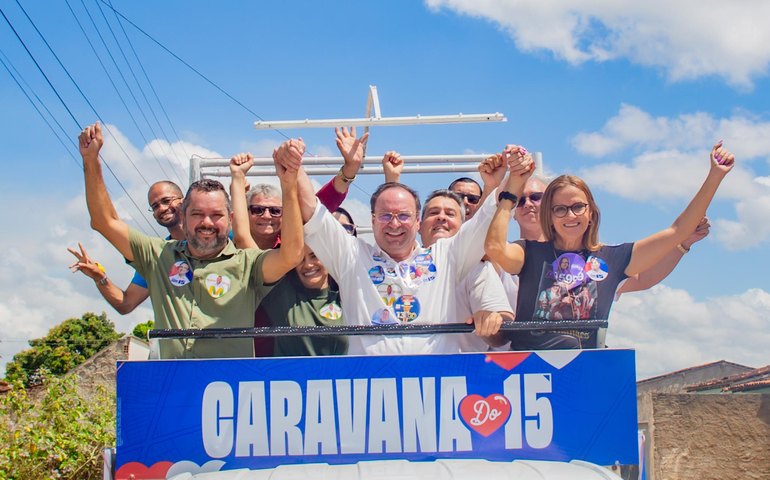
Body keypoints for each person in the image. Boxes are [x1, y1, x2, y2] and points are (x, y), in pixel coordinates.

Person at [283, 137, 532, 355]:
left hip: (438, 393)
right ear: (372, 220)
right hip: (370, 394)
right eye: (384, 216)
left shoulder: (448, 255)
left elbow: (486, 216)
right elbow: (311, 211)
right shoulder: (351, 256)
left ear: (417, 221)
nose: (394, 224)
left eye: (403, 216)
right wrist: (295, 165)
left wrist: (515, 176)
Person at [79, 121, 304, 359]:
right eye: (197, 214)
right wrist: (91, 160)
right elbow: (104, 221)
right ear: (184, 219)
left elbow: (291, 255)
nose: (207, 222)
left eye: (216, 215)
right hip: (174, 387)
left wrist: (288, 185)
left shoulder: (248, 264)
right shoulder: (158, 255)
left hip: (230, 390)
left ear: (230, 220)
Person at [485, 141, 735, 350]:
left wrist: (715, 176)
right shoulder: (529, 252)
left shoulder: (613, 258)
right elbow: (495, 249)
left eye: (577, 207)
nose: (570, 216)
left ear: (591, 212)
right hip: (529, 371)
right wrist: (510, 192)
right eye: (559, 209)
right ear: (548, 216)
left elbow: (677, 231)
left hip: (586, 370)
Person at [229, 152, 350, 357]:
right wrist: (237, 183)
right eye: (257, 210)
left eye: (275, 211)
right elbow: (241, 238)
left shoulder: (347, 289)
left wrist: (349, 172)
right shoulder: (280, 281)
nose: (266, 216)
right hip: (253, 359)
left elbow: (317, 209)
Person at [67, 181, 185, 314]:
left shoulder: (211, 243)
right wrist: (99, 277)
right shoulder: (156, 256)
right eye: (155, 206)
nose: (162, 208)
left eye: (166, 200)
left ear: (184, 201)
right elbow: (126, 304)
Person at [418, 189, 513, 351]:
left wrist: (492, 323)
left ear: (464, 227)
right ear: (418, 226)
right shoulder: (396, 265)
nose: (441, 217)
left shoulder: (479, 268)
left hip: (461, 373)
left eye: (450, 213)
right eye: (433, 213)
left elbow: (502, 335)